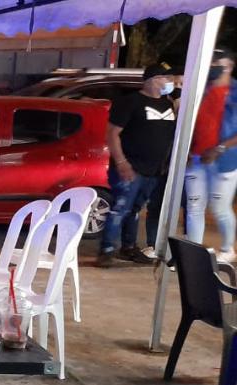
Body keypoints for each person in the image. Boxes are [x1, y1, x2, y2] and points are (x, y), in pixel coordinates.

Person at [98, 63, 179, 267]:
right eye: (166, 78)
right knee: (121, 208)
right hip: (130, 167)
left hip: (154, 169)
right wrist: (121, 162)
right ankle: (106, 250)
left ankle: (128, 247)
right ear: (153, 80)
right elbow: (112, 133)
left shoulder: (168, 104)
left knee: (134, 210)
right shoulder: (130, 102)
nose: (170, 82)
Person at [185, 48, 237, 261]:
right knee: (194, 206)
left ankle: (227, 250)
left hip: (224, 161)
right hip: (196, 159)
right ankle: (193, 253)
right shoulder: (200, 89)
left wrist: (220, 149)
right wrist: (186, 150)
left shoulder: (235, 92)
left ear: (229, 66)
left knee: (220, 208)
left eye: (218, 64)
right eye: (211, 63)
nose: (213, 67)